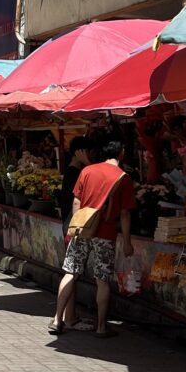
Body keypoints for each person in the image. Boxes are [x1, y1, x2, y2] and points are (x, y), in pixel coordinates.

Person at [51, 140, 136, 338]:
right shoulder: (123, 177)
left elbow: (76, 200)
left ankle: (57, 319)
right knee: (102, 280)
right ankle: (101, 326)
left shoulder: (87, 171)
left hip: (82, 230)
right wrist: (127, 241)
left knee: (70, 272)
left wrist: (76, 226)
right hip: (105, 233)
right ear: (122, 153)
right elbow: (124, 213)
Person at [58, 136, 95, 331]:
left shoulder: (73, 172)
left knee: (71, 271)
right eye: (87, 152)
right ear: (79, 152)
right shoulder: (76, 173)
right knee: (72, 271)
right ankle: (69, 317)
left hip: (69, 224)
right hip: (73, 225)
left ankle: (67, 316)